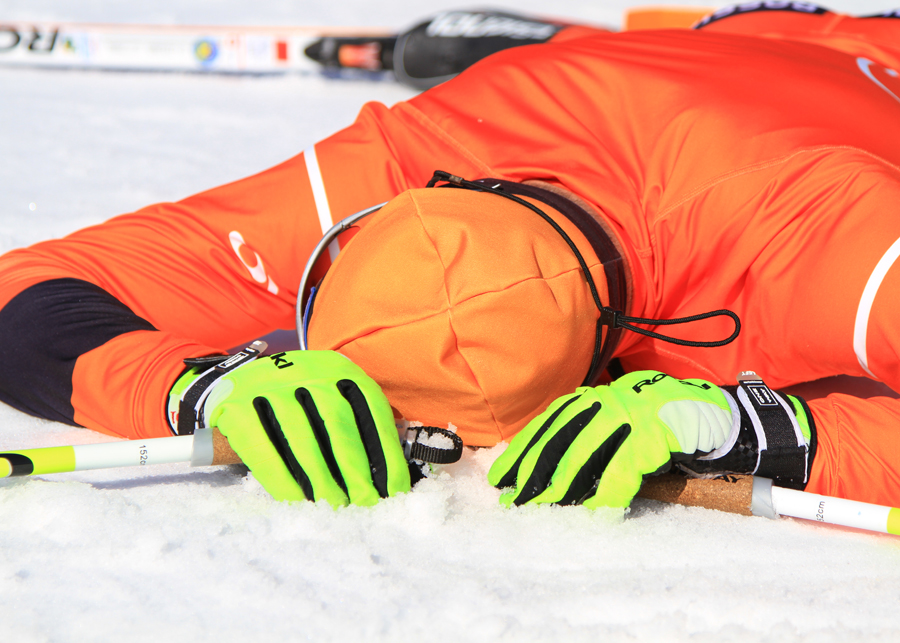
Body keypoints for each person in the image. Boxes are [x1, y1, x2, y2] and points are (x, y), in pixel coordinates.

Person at [1, 4, 899, 509]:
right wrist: (195, 387)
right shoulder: (409, 161)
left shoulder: (829, 241)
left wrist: (767, 434)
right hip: (710, 54)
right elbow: (22, 299)